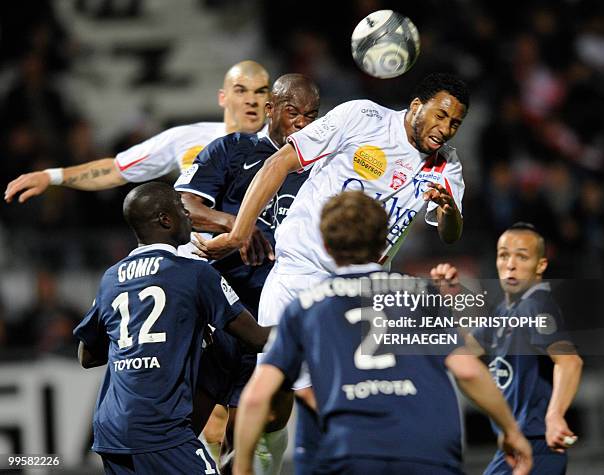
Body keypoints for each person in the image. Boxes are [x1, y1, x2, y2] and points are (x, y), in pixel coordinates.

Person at [194, 72, 470, 473]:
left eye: (455, 124)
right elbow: (281, 161)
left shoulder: (447, 166)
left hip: (361, 291)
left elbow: (450, 233)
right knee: (276, 405)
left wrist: (449, 212)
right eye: (440, 116)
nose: (445, 130)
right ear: (416, 106)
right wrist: (239, 232)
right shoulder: (363, 117)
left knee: (332, 399)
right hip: (299, 272)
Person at [233, 191, 533, 475]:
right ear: (383, 244)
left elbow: (258, 396)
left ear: (325, 244)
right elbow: (467, 371)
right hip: (427, 447)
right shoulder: (419, 295)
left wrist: (243, 466)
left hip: (351, 449)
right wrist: (511, 429)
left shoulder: (307, 307)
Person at [175, 73, 320, 473]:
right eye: (294, 113)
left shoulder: (320, 165)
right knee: (196, 420)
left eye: (312, 115)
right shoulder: (232, 149)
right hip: (221, 306)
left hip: (278, 312)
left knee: (262, 423)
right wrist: (238, 224)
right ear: (271, 110)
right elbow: (183, 208)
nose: (303, 124)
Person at [73, 182, 270, 475]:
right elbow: (257, 339)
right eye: (182, 209)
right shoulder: (194, 273)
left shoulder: (111, 278)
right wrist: (312, 319)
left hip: (111, 430)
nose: (189, 216)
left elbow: (87, 357)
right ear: (165, 219)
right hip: (161, 429)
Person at [431, 222, 583, 474]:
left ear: (540, 265)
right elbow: (462, 354)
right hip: (517, 446)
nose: (510, 264)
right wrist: (447, 302)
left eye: (522, 256)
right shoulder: (504, 312)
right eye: (504, 255)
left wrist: (554, 415)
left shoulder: (536, 305)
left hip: (537, 443)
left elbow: (569, 361)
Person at [4, 60, 269, 203]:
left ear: (270, 100)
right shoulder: (188, 138)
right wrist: (51, 176)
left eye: (260, 91)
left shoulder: (287, 147)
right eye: (241, 90)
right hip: (201, 271)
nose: (251, 100)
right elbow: (115, 171)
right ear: (222, 97)